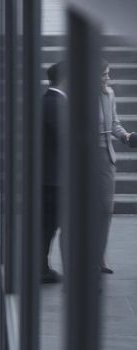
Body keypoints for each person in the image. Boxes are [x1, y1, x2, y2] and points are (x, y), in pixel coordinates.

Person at [97, 59, 132, 274]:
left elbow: (114, 124)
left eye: (108, 74)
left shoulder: (109, 94)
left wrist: (126, 136)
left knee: (105, 210)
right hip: (82, 157)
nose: (108, 78)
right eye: (104, 74)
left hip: (105, 157)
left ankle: (100, 254)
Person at [41, 62, 67, 284]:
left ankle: (41, 266)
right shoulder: (55, 104)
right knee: (50, 224)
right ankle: (41, 268)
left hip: (50, 176)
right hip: (54, 178)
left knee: (49, 224)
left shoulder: (48, 100)